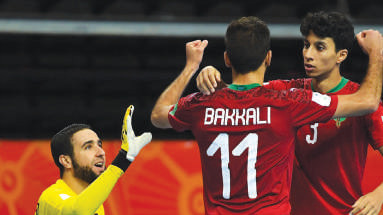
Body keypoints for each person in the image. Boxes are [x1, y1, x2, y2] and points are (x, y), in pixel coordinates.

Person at [151, 16, 383, 214]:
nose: (308, 54)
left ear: (341, 55)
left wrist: (379, 195)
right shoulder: (287, 95)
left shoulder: (349, 99)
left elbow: (239, 97)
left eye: (319, 47)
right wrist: (214, 78)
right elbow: (242, 96)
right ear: (268, 58)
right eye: (305, 45)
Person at [35, 105, 152, 215]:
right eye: (88, 147)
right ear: (66, 161)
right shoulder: (51, 197)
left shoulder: (96, 205)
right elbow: (77, 211)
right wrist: (123, 159)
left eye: (99, 145)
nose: (101, 152)